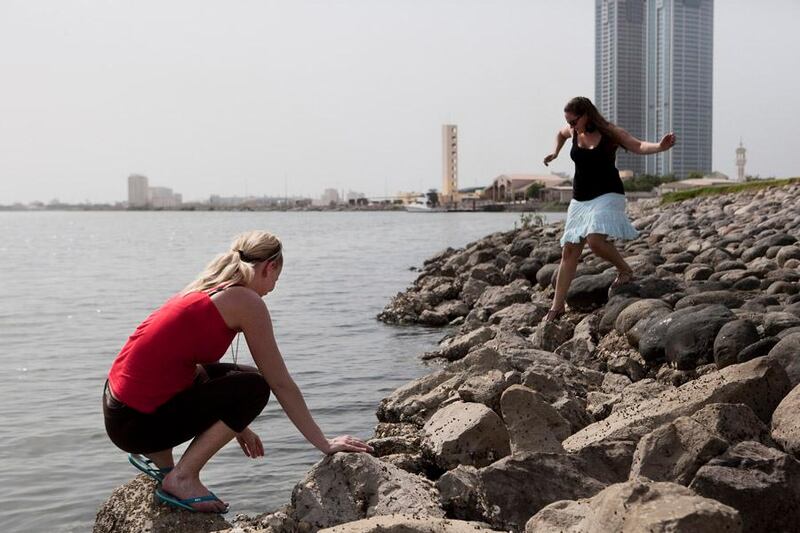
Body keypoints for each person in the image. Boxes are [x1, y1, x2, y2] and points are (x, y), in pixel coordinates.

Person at [103, 230, 373, 513]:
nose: (272, 288)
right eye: (276, 279)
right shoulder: (246, 301)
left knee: (227, 374)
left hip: (119, 409)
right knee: (255, 387)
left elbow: (169, 365)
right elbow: (280, 382)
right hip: (135, 424)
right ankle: (182, 477)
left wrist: (238, 425)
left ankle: (164, 465)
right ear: (270, 267)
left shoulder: (207, 287)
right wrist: (324, 443)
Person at [542, 96, 676, 321]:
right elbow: (560, 133)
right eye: (569, 122)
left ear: (586, 115)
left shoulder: (610, 133)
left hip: (607, 194)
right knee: (569, 251)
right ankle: (557, 307)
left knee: (594, 241)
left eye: (574, 121)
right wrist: (555, 153)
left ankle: (625, 270)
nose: (571, 126)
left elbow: (638, 145)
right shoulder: (573, 131)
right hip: (580, 198)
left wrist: (661, 147)